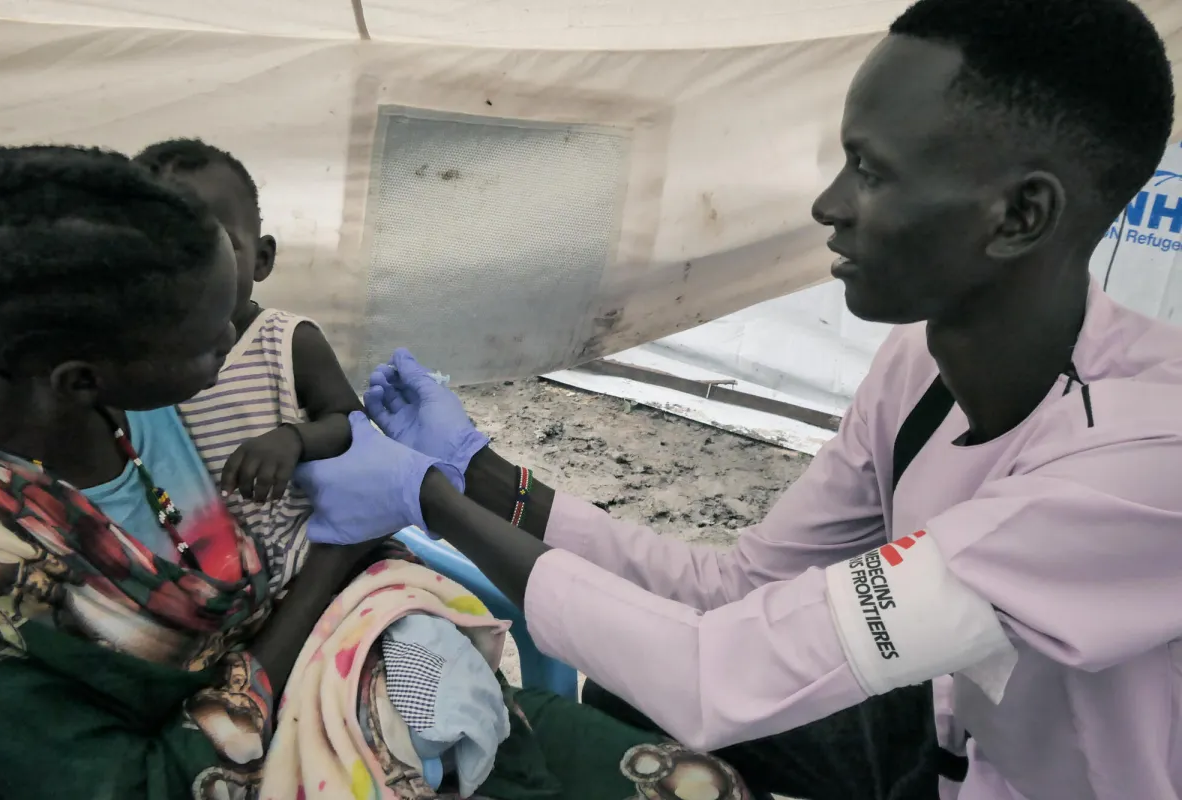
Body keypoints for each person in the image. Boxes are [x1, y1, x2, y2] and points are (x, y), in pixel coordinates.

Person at [294, 0, 1182, 797]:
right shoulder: (916, 369)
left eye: (872, 173)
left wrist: (430, 503)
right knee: (625, 672)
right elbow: (736, 588)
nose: (830, 205)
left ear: (1021, 215)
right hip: (949, 741)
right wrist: (479, 471)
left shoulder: (1143, 467)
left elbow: (716, 671)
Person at [0, 145, 755, 800]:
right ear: (80, 377)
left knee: (697, 784)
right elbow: (154, 781)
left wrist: (456, 475)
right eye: (207, 338)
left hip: (347, 661)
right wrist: (340, 553)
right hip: (248, 754)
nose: (233, 338)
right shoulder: (3, 582)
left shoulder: (130, 404)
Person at [134, 139, 363, 594]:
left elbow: (353, 423)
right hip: (222, 589)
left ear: (262, 258)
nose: (187, 272)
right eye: (161, 251)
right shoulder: (139, 373)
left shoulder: (286, 341)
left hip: (318, 558)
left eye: (213, 246)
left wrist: (293, 439)